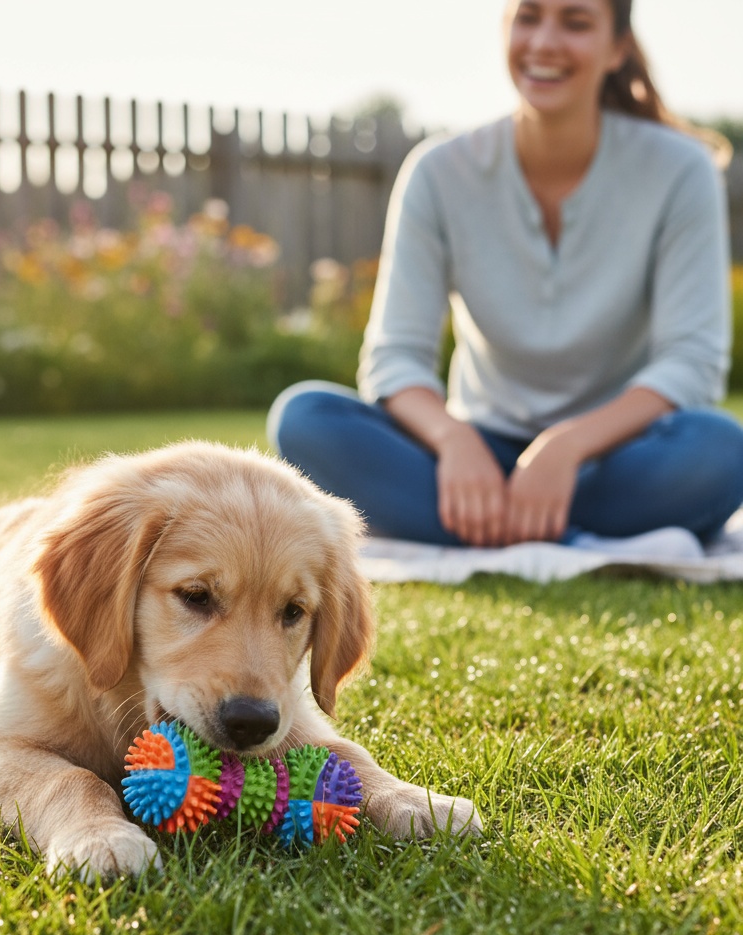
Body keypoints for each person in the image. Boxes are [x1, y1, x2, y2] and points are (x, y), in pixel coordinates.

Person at [268, 0, 743, 553]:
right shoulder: (438, 171)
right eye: (528, 17)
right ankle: (569, 533)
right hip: (474, 456)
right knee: (304, 418)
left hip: (612, 455)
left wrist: (567, 447)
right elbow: (395, 358)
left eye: (575, 22)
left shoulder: (681, 170)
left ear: (618, 48)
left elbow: (692, 360)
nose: (544, 41)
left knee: (722, 450)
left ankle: (484, 527)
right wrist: (452, 440)